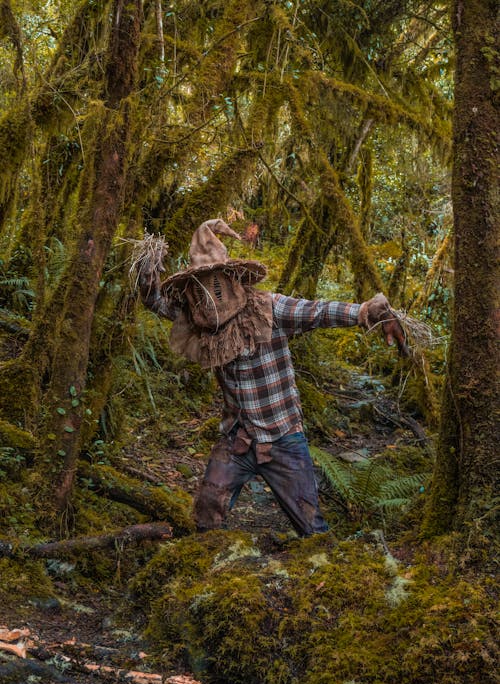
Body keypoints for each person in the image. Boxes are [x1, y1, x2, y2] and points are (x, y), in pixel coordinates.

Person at [137, 219, 407, 537]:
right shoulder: (199, 319)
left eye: (215, 283)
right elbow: (159, 303)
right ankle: (212, 563)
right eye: (200, 286)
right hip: (237, 440)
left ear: (231, 277)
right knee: (207, 511)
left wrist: (366, 312)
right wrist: (146, 270)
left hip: (284, 439)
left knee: (311, 526)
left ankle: (326, 567)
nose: (210, 295)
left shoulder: (270, 308)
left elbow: (318, 312)